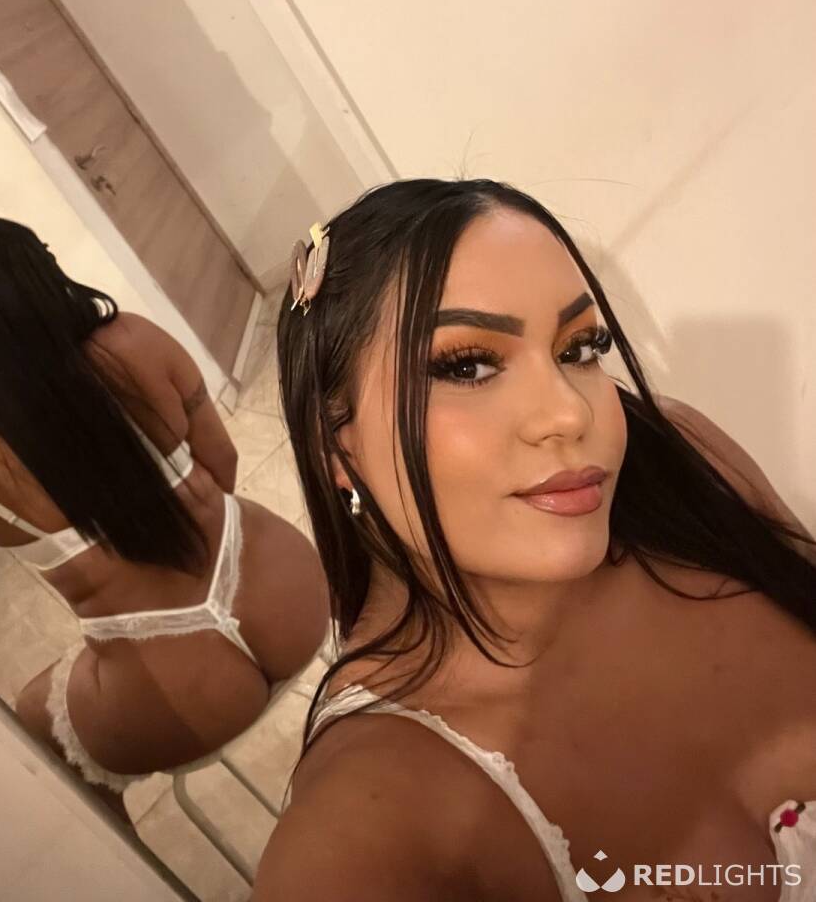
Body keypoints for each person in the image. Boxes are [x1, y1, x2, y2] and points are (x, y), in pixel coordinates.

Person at [253, 178, 816, 901]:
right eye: (467, 366)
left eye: (580, 347)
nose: (567, 413)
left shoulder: (680, 459)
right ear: (337, 445)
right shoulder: (366, 827)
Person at [0, 217, 329, 819]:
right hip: (293, 596)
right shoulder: (133, 340)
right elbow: (223, 461)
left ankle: (125, 867)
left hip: (179, 698)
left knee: (32, 719)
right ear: (46, 274)